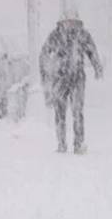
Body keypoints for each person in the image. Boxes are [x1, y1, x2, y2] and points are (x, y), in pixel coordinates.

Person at [39, 13, 103, 154]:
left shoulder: (82, 35)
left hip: (77, 78)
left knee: (77, 111)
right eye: (68, 21)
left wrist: (97, 67)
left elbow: (91, 51)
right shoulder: (55, 36)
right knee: (60, 112)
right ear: (62, 22)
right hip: (60, 79)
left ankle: (78, 144)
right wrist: (46, 73)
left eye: (73, 21)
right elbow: (44, 54)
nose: (70, 24)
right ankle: (62, 144)